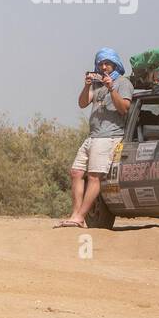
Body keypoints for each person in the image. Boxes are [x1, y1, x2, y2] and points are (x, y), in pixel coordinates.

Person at [59, 47, 133, 228]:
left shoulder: (123, 83)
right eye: (101, 64)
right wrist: (86, 85)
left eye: (107, 63)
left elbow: (124, 108)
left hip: (109, 136)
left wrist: (111, 88)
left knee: (94, 176)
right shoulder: (96, 85)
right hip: (93, 136)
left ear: (115, 64)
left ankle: (80, 216)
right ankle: (77, 216)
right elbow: (83, 103)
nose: (104, 67)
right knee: (76, 172)